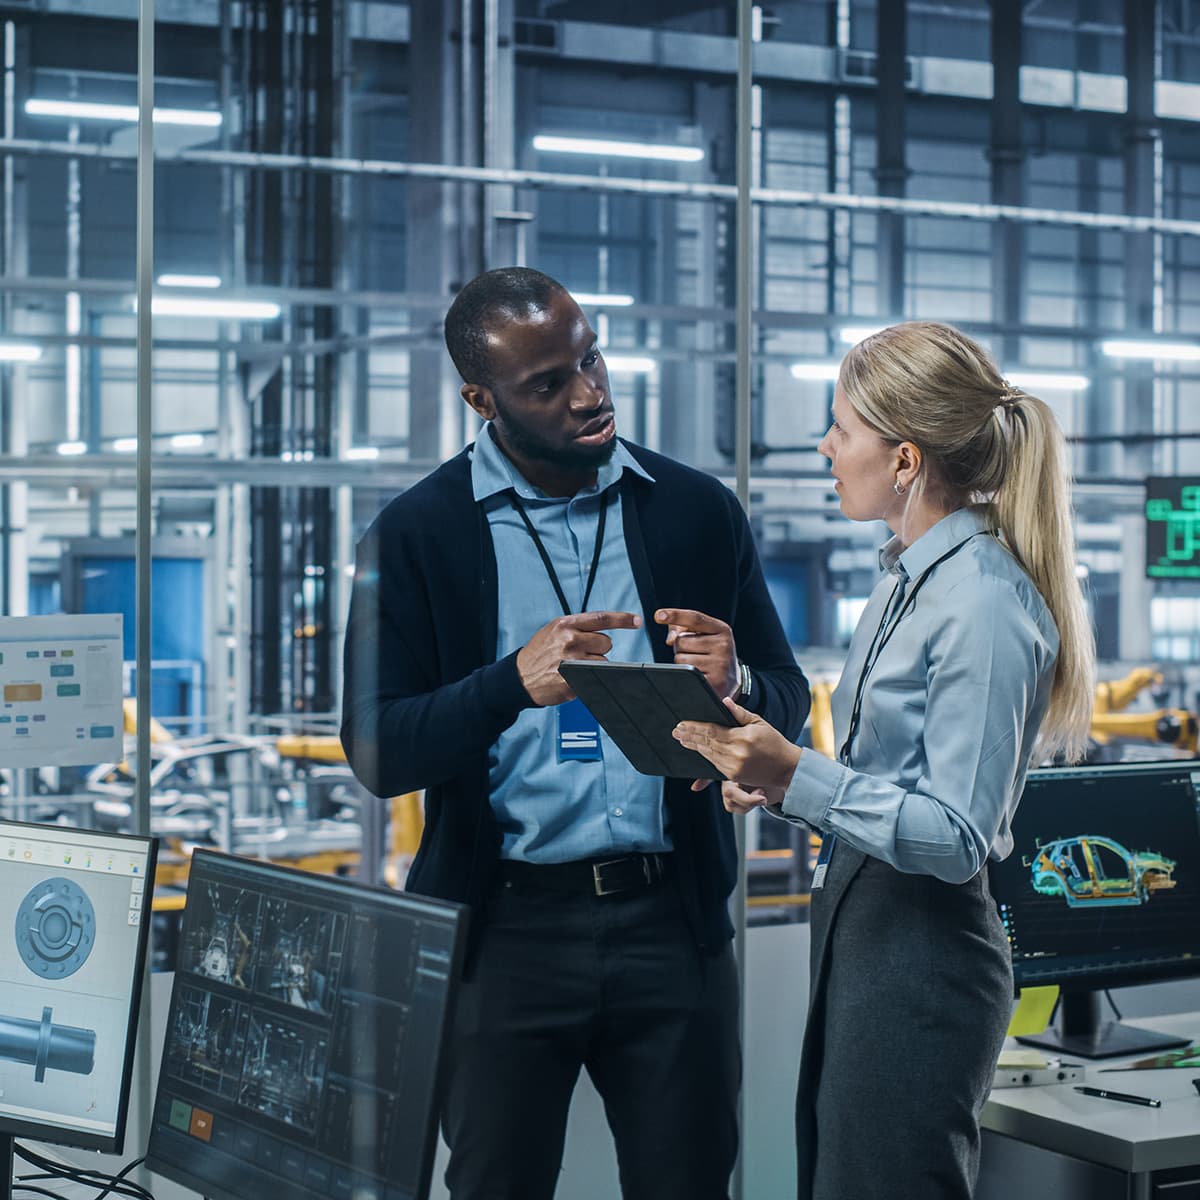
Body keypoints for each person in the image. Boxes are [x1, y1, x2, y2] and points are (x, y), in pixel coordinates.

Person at [340, 266, 810, 1200]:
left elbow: (785, 698)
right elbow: (378, 752)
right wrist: (510, 684)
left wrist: (743, 680)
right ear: (482, 399)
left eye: (591, 358)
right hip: (504, 934)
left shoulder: (695, 511)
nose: (590, 394)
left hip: (671, 927)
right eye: (547, 384)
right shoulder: (414, 537)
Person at [673, 320, 1094, 1200]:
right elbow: (889, 781)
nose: (826, 448)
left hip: (925, 951)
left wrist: (796, 774)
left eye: (842, 428)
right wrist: (774, 776)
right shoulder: (906, 581)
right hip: (866, 929)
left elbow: (954, 838)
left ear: (904, 460)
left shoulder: (982, 603)